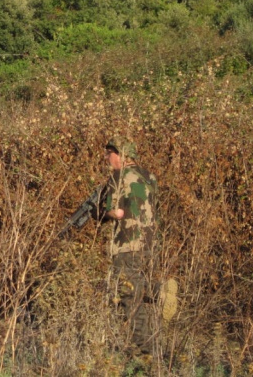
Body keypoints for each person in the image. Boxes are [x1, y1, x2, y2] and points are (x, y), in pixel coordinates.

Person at [101, 137, 158, 356]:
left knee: (128, 295)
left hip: (127, 244)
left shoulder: (119, 176)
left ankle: (145, 350)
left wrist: (103, 212)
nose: (107, 159)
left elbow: (117, 212)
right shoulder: (149, 176)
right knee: (137, 284)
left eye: (109, 154)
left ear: (120, 154)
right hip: (149, 243)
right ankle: (159, 291)